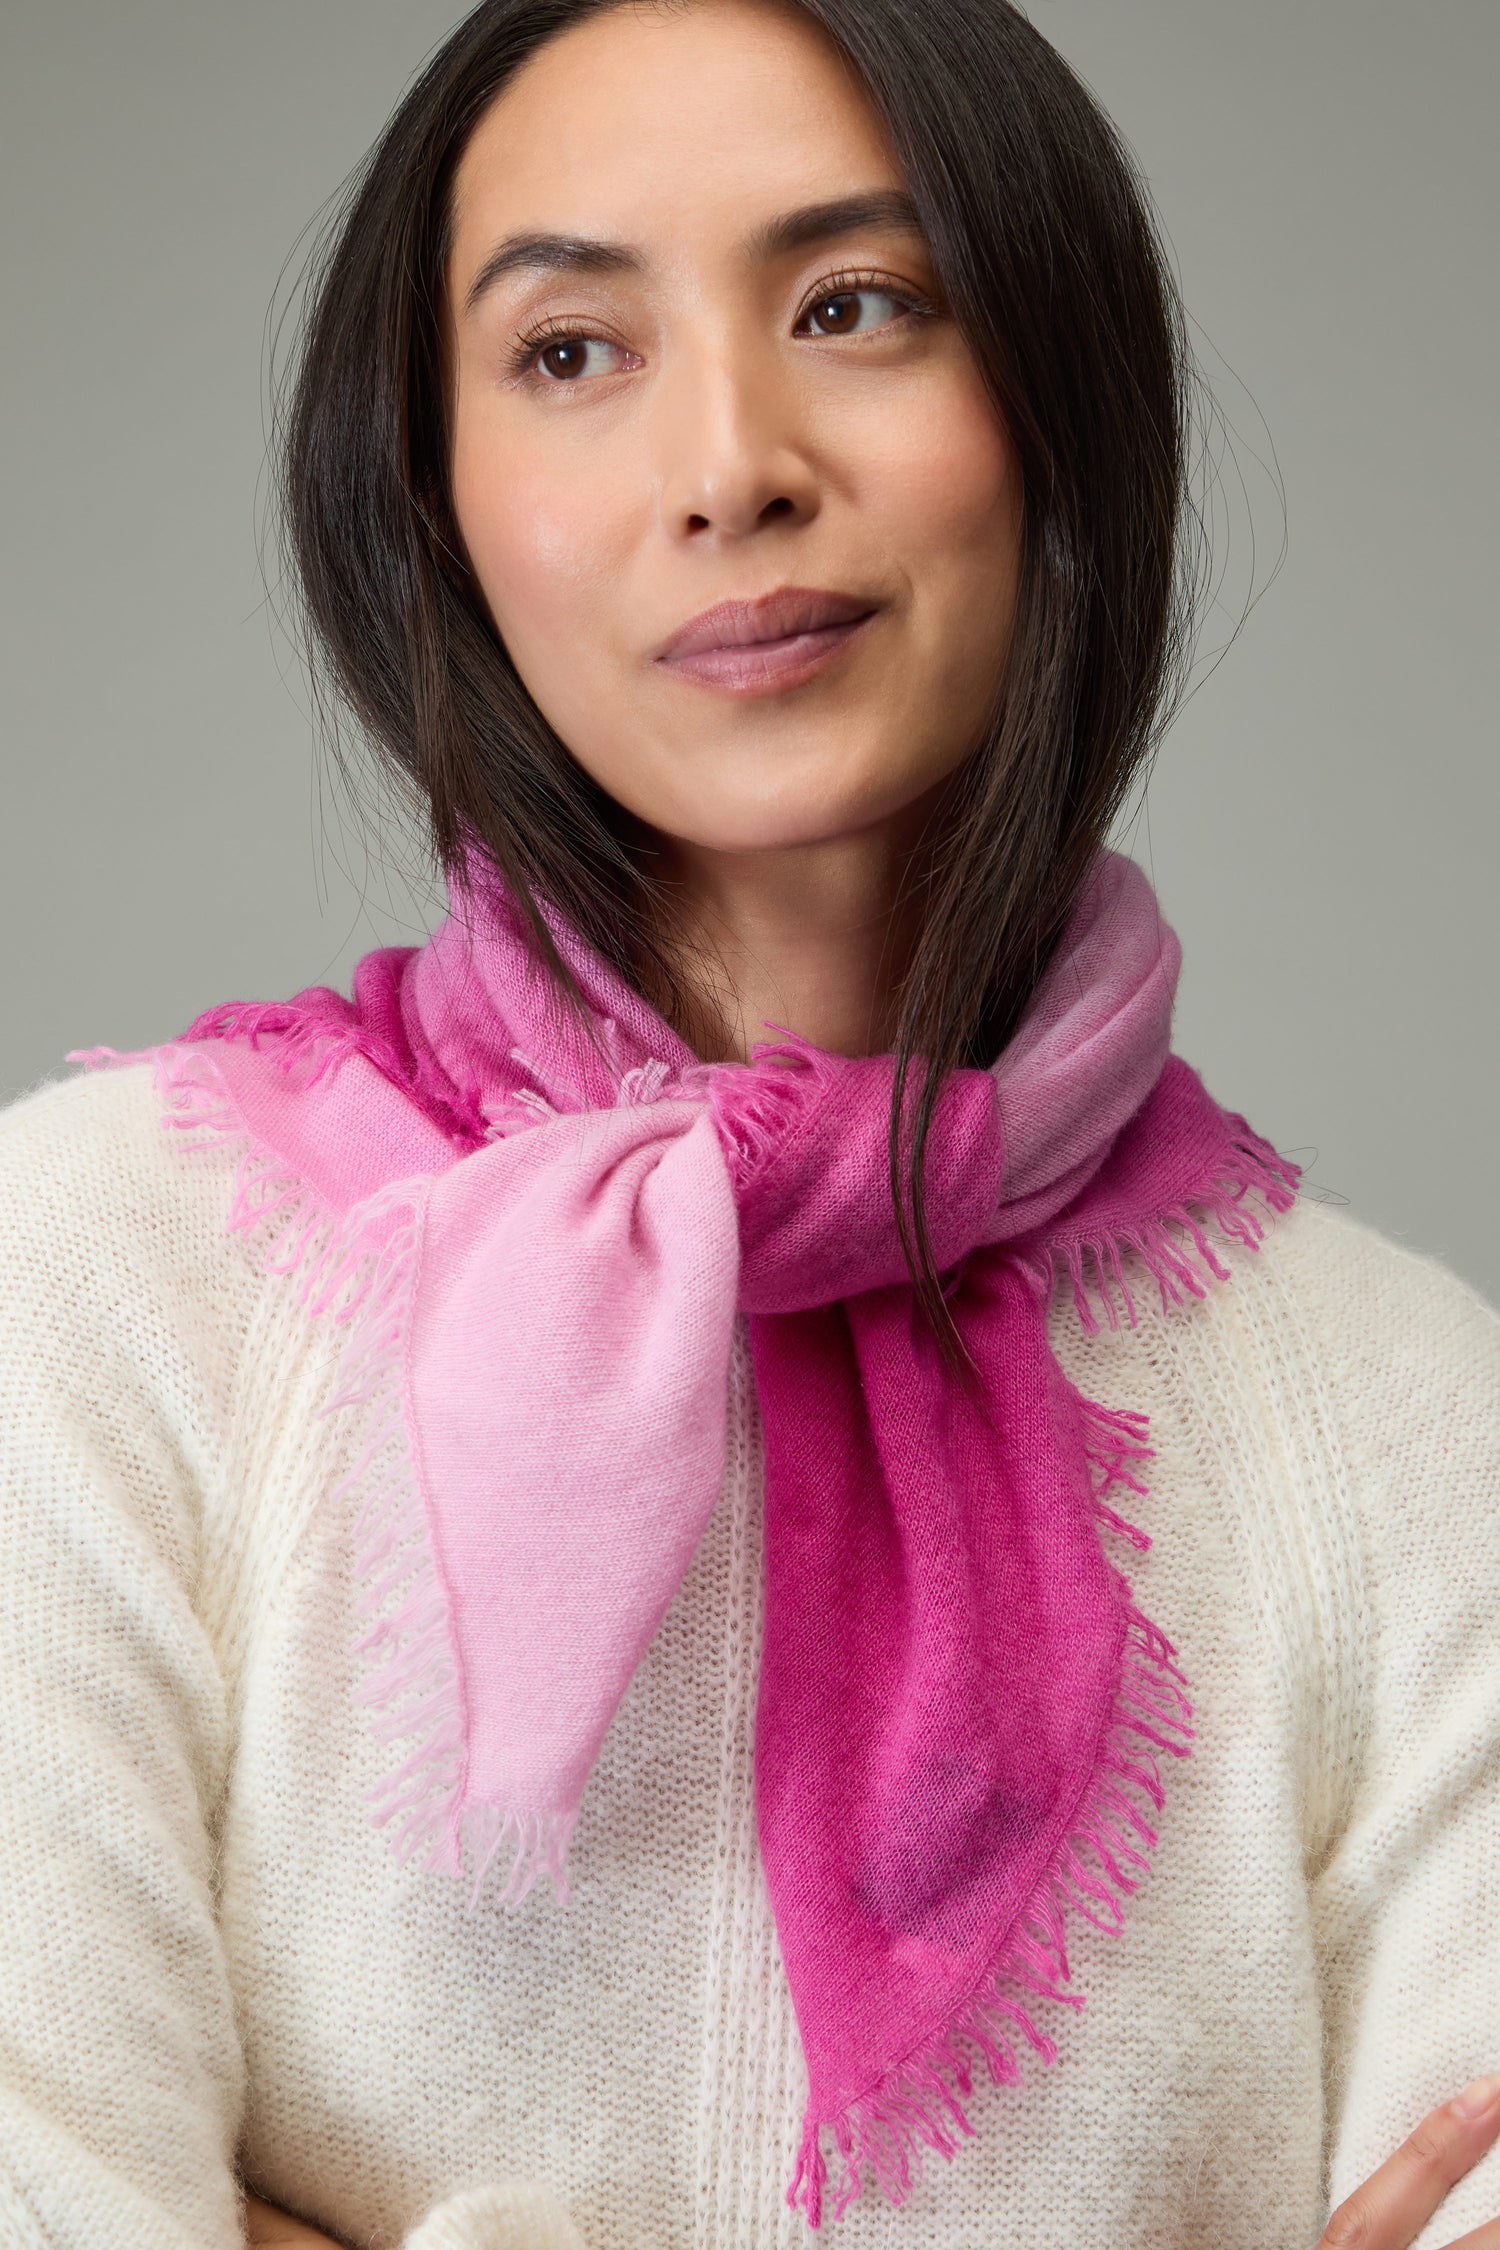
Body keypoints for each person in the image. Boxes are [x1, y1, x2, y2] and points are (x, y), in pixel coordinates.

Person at [2, 2, 1497, 2246]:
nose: (730, 466)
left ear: (1061, 399)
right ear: (432, 502)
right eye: (571, 350)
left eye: (857, 305)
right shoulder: (92, 1287)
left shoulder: (1414, 1433)